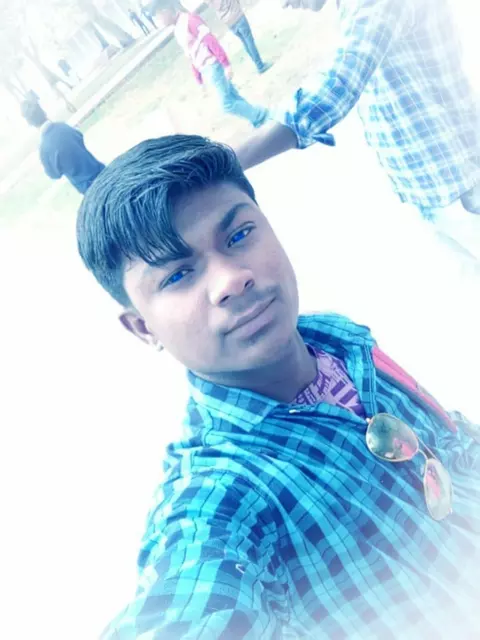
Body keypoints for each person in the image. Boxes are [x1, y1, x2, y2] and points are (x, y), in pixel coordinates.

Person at [76, 134, 480, 639]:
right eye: (178, 275)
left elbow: (449, 443)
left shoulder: (338, 341)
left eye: (239, 235)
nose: (231, 279)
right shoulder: (221, 499)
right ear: (142, 328)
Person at [235, 0, 480, 262]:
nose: (284, 3)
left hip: (456, 184)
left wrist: (224, 159)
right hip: (432, 185)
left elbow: (337, 88)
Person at [156, 8, 268, 128]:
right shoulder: (177, 29)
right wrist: (199, 80)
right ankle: (257, 119)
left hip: (213, 65)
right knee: (232, 95)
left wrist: (226, 64)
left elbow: (210, 40)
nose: (159, 20)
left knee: (227, 104)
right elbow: (190, 55)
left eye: (159, 16)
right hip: (206, 69)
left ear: (167, 10)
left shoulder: (189, 20)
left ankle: (258, 114)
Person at [21, 99, 105, 194]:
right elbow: (80, 137)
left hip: (88, 188)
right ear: (43, 112)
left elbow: (54, 175)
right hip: (101, 170)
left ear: (30, 123)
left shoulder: (44, 149)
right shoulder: (63, 126)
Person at [207, 0, 272, 73]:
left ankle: (258, 64)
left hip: (228, 22)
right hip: (237, 15)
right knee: (249, 41)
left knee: (245, 42)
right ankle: (260, 65)